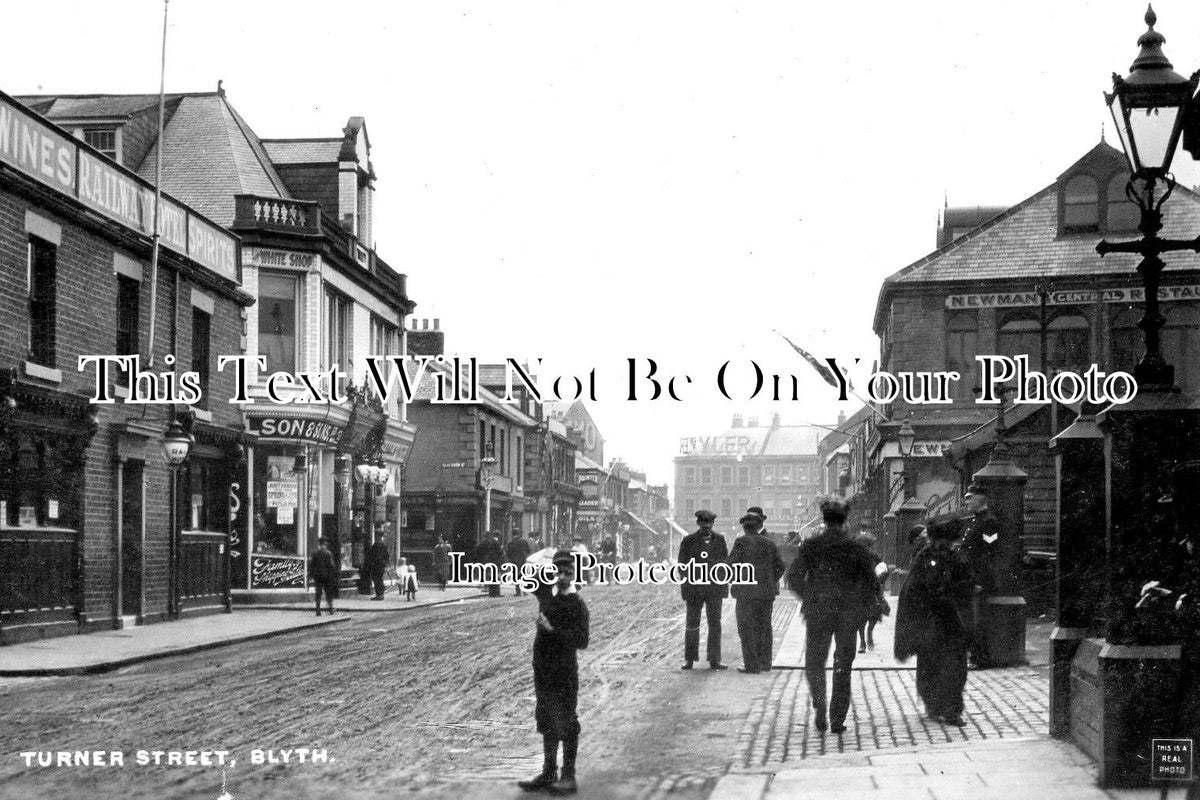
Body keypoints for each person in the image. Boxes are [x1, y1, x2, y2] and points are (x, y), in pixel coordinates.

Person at [788, 497, 880, 734]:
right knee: (843, 665)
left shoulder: (811, 546)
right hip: (846, 616)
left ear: (824, 520)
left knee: (815, 663)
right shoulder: (856, 548)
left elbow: (794, 577)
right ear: (845, 521)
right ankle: (837, 718)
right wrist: (858, 607)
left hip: (818, 613)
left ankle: (819, 708)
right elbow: (871, 583)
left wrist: (810, 597)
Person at [517, 550, 590, 795]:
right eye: (558, 571)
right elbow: (525, 579)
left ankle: (568, 777)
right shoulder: (548, 594)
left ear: (574, 574)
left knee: (567, 721)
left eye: (568, 572)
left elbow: (582, 641)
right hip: (544, 669)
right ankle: (549, 772)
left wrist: (551, 629)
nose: (562, 576)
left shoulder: (577, 604)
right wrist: (537, 561)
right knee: (546, 719)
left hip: (564, 671)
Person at [894, 515, 975, 726]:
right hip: (939, 620)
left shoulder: (934, 555)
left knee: (940, 665)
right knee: (949, 665)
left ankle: (941, 706)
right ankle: (946, 708)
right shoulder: (937, 556)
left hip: (938, 621)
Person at [958, 486, 1023, 668]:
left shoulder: (989, 522)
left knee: (979, 621)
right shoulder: (975, 521)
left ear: (981, 498)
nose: (966, 501)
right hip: (969, 577)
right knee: (970, 619)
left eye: (970, 498)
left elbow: (989, 551)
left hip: (978, 579)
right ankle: (974, 656)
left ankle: (980, 659)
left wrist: (979, 580)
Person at [728, 510, 785, 673]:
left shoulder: (741, 542)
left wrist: (736, 580)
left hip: (745, 594)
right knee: (764, 628)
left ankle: (752, 665)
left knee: (746, 629)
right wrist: (769, 580)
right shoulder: (769, 543)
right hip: (766, 594)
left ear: (745, 528)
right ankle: (766, 663)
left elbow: (729, 565)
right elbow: (780, 567)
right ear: (759, 526)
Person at [677, 509, 729, 670]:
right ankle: (690, 659)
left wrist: (722, 585)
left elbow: (724, 565)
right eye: (703, 522)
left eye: (709, 523)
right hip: (694, 590)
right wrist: (689, 582)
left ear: (713, 523)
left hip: (714, 590)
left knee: (715, 624)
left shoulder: (720, 540)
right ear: (698, 523)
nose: (707, 526)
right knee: (692, 624)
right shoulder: (688, 541)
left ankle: (715, 659)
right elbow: (682, 566)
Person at [855, 531, 890, 653]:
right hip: (863, 590)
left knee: (870, 615)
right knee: (865, 616)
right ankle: (864, 641)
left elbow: (884, 569)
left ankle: (867, 637)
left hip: (871, 589)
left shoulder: (874, 555)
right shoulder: (856, 557)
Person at [309, 536, 338, 616]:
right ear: (325, 543)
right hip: (327, 577)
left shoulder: (315, 554)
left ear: (319, 544)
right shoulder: (328, 554)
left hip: (318, 577)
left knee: (318, 593)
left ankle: (318, 610)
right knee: (329, 593)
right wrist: (333, 576)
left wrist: (313, 575)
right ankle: (330, 609)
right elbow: (332, 566)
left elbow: (311, 566)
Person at [476, 532, 505, 597]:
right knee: (495, 578)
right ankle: (496, 593)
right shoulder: (495, 543)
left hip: (486, 562)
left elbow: (478, 553)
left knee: (489, 577)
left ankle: (491, 592)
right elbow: (500, 553)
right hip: (495, 562)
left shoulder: (482, 544)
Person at [506, 531, 532, 596]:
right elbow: (528, 550)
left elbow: (508, 553)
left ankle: (518, 592)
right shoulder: (524, 541)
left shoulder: (511, 543)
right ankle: (524, 591)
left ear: (513, 534)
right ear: (518, 534)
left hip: (514, 562)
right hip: (522, 561)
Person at [365, 533, 389, 600]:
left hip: (376, 566)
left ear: (378, 536)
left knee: (377, 580)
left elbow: (372, 555)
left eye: (376, 536)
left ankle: (379, 595)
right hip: (381, 566)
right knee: (380, 580)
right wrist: (385, 563)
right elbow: (387, 556)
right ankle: (381, 594)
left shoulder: (376, 545)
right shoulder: (384, 545)